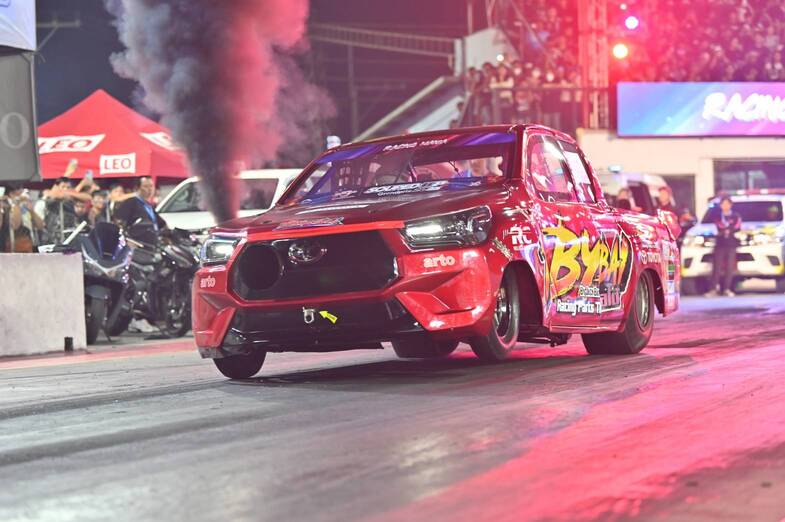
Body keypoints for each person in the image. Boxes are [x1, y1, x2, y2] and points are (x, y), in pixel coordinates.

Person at [113, 176, 167, 245]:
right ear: (137, 188)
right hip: (138, 245)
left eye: (151, 186)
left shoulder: (149, 206)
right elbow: (119, 222)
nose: (150, 189)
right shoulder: (131, 202)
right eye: (146, 186)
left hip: (152, 244)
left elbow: (161, 224)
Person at [707, 196, 742, 297]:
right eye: (723, 204)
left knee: (729, 267)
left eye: (727, 204)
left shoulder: (736, 216)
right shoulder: (718, 216)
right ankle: (713, 289)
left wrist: (728, 230)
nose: (725, 206)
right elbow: (718, 225)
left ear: (731, 205)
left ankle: (727, 288)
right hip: (720, 244)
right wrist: (726, 229)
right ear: (721, 205)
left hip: (731, 244)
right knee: (717, 267)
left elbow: (737, 226)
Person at [1, 185, 45, 253]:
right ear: (11, 193)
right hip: (12, 245)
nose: (24, 192)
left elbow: (40, 226)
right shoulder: (5, 205)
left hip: (30, 244)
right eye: (21, 190)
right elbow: (15, 225)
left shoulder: (26, 204)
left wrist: (32, 211)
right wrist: (16, 204)